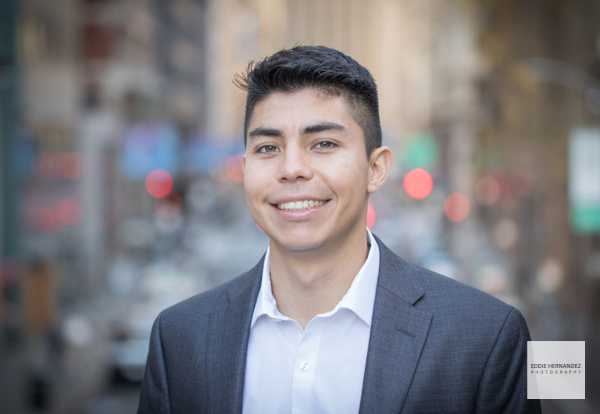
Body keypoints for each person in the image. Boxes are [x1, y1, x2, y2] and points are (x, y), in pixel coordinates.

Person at [138, 45, 541, 414]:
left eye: (324, 144)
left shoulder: (490, 336)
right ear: (245, 171)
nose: (292, 168)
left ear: (376, 168)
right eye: (267, 148)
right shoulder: (178, 337)